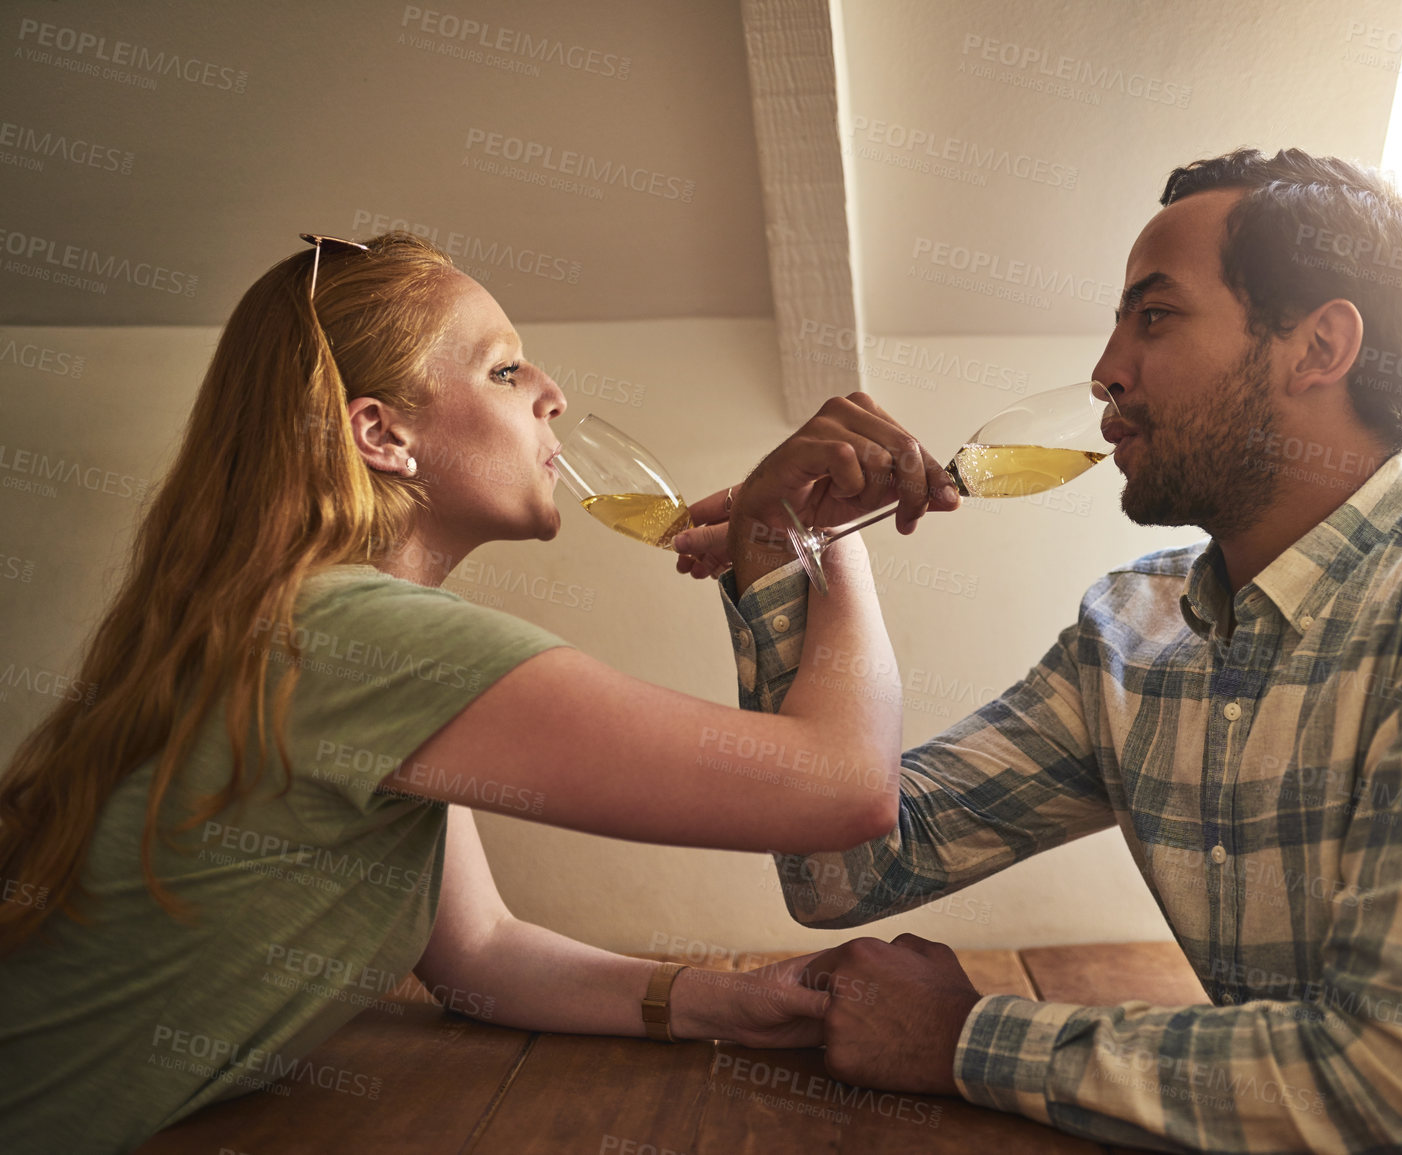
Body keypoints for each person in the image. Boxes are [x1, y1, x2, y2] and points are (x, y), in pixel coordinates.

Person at [683, 149, 1402, 1151]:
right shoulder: (1137, 626)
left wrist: (963, 1037)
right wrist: (797, 556)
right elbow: (845, 871)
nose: (1104, 371)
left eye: (1154, 316)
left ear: (1318, 348)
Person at [0, 231, 960, 1154]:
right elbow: (841, 790)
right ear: (380, 433)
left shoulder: (313, 628)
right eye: (505, 370)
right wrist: (821, 536)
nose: (552, 394)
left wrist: (728, 1000)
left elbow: (480, 955)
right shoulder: (358, 637)